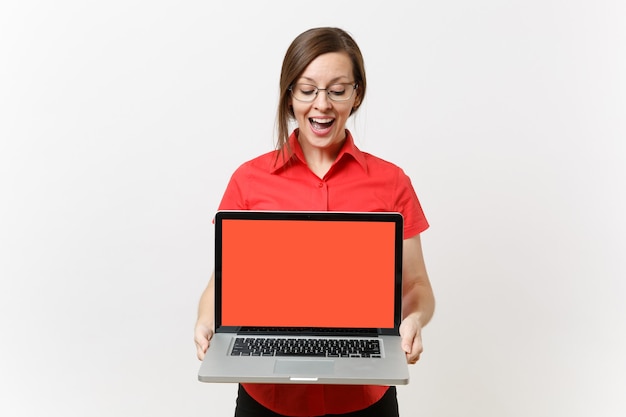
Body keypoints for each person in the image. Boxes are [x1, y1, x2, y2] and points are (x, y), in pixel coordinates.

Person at [194, 27, 435, 417]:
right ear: (290, 95)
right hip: (266, 399)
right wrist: (206, 321)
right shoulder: (248, 180)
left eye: (337, 90)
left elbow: (417, 285)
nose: (321, 105)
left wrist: (414, 319)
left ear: (357, 94)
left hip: (365, 396)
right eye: (307, 90)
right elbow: (220, 283)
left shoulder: (391, 182)